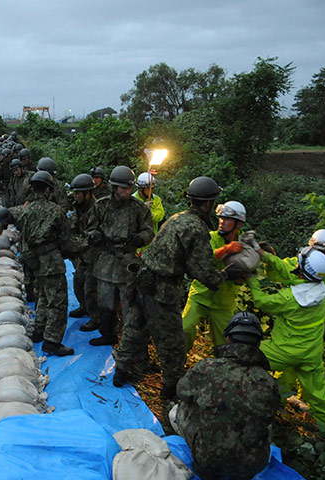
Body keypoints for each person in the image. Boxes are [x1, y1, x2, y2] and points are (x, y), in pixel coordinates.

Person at [113, 176, 236, 410]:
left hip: (142, 280)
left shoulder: (176, 218)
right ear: (209, 203)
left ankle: (121, 371)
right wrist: (226, 275)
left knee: (134, 328)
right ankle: (171, 391)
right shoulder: (197, 228)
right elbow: (200, 270)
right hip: (162, 289)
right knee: (172, 343)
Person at [172, 312, 280, 480]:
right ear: (258, 344)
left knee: (180, 407)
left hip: (206, 463)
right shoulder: (268, 381)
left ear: (228, 339)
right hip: (251, 467)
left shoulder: (207, 367)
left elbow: (181, 390)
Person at [247, 246, 325, 428]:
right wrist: (265, 256)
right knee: (319, 396)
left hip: (283, 351)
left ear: (302, 268)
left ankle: (248, 405)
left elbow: (261, 301)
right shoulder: (319, 290)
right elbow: (291, 277)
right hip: (311, 353)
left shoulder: (289, 299)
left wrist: (251, 279)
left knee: (243, 354)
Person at [2, 171, 77, 356]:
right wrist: (84, 245)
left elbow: (5, 215)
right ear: (48, 190)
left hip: (34, 261)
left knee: (43, 296)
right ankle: (52, 341)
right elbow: (67, 241)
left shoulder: (25, 211)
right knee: (58, 302)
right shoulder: (56, 211)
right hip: (51, 261)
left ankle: (39, 330)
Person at [85, 166, 154, 347]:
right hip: (106, 261)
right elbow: (89, 227)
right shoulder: (101, 205)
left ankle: (133, 344)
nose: (127, 192)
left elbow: (149, 231)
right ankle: (108, 334)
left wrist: (140, 238)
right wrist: (94, 235)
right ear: (115, 187)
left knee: (131, 307)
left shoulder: (138, 208)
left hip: (128, 263)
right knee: (105, 304)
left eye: (129, 188)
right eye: (123, 188)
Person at [182, 201, 246, 353]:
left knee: (225, 343)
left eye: (227, 219)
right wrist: (225, 250)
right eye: (220, 218)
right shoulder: (209, 237)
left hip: (223, 302)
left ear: (238, 224)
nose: (222, 222)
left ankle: (222, 371)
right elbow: (202, 259)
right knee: (185, 328)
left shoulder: (245, 245)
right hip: (200, 294)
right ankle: (176, 364)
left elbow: (250, 268)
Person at [67, 174, 98, 323]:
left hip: (94, 253)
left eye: (78, 193)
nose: (75, 196)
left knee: (91, 287)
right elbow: (73, 226)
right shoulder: (79, 207)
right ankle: (84, 307)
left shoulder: (96, 210)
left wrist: (75, 247)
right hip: (83, 254)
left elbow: (90, 234)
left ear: (87, 194)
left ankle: (95, 317)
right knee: (78, 280)